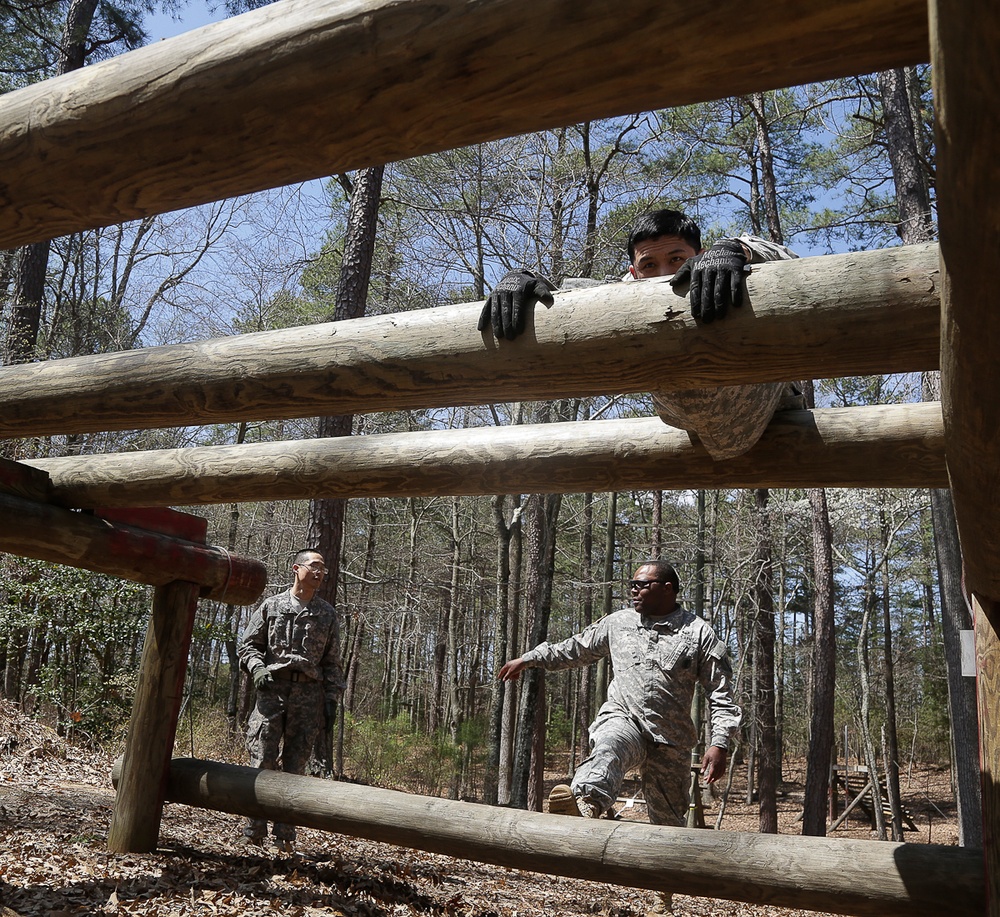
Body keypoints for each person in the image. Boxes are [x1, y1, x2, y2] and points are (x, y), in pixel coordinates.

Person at [498, 559, 741, 916]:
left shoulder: (698, 632)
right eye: (632, 584)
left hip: (671, 742)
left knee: (668, 830)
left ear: (668, 588)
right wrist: (530, 658)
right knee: (609, 743)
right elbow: (575, 648)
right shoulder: (618, 623)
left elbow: (721, 694)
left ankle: (662, 897)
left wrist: (719, 742)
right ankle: (585, 804)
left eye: (642, 584)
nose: (633, 589)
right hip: (625, 717)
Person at [477, 208, 804, 460]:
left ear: (699, 256)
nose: (664, 274)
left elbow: (791, 260)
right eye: (649, 265)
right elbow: (572, 301)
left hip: (768, 410)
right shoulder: (627, 294)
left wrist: (737, 249)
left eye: (677, 258)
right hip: (685, 422)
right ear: (633, 272)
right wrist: (524, 280)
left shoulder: (723, 267)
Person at [237, 548, 346, 852]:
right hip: (271, 692)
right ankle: (254, 829)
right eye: (314, 566)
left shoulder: (327, 614)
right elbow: (248, 646)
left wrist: (331, 699)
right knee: (261, 760)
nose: (320, 572)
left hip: (308, 696)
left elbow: (332, 663)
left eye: (323, 568)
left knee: (295, 767)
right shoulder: (272, 606)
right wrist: (257, 668)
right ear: (296, 569)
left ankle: (285, 835)